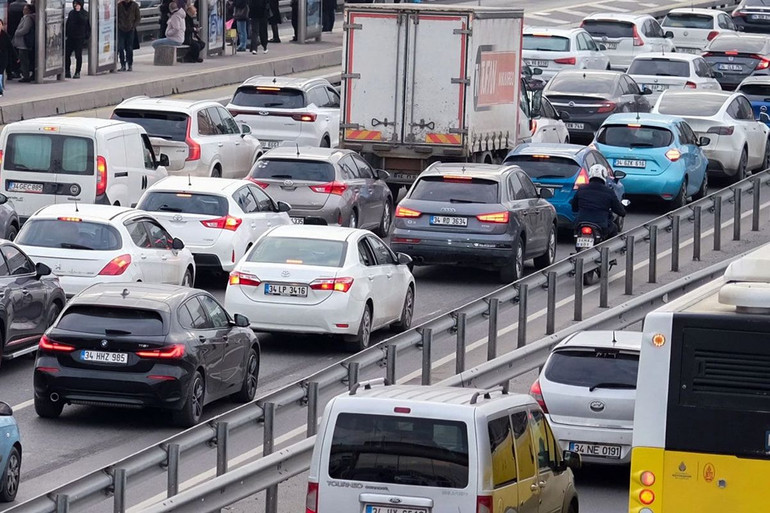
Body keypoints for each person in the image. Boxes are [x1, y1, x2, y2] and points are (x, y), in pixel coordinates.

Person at [570, 164, 626, 238]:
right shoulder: (609, 192)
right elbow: (621, 212)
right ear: (604, 175)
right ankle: (607, 249)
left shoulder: (581, 188)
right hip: (601, 225)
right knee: (614, 229)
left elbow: (574, 208)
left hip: (581, 223)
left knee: (576, 233)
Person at [65, 0, 90, 79]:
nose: (75, 5)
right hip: (71, 37)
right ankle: (67, 71)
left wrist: (78, 12)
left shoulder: (84, 13)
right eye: (74, 3)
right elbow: (68, 23)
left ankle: (77, 71)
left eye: (77, 4)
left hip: (79, 37)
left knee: (78, 55)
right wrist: (66, 33)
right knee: (67, 54)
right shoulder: (71, 13)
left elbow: (83, 21)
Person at [12, 4, 34, 83]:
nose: (23, 10)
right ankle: (25, 74)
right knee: (23, 59)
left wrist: (17, 32)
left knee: (24, 60)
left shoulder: (28, 18)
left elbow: (25, 29)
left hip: (23, 43)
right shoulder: (25, 17)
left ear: (29, 10)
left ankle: (26, 76)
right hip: (21, 42)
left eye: (25, 9)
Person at [117, 0, 141, 71]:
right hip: (121, 29)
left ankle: (130, 64)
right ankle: (122, 64)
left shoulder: (134, 5)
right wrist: (118, 25)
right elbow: (117, 16)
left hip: (130, 30)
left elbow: (138, 17)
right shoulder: (120, 5)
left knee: (129, 48)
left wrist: (133, 26)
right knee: (120, 48)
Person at [7, 0, 26, 79]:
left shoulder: (11, 6)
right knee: (21, 53)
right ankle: (19, 70)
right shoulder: (25, 5)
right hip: (22, 34)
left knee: (11, 52)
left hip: (11, 31)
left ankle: (13, 70)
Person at [0, 20, 16, 95]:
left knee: (0, 73)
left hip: (3, 58)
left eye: (0, 24)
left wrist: (16, 57)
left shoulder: (5, 35)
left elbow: (10, 47)